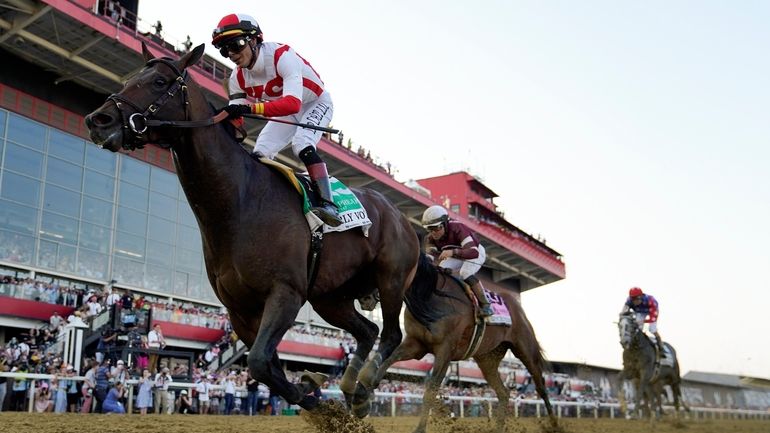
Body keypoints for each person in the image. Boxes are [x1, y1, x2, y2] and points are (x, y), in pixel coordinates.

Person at [211, 13, 341, 227]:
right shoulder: (237, 78)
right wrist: (226, 122)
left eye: (235, 44)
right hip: (286, 107)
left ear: (253, 40)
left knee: (302, 144)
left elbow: (292, 104)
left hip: (315, 102)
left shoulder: (282, 55)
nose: (231, 54)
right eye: (225, 50)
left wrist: (251, 107)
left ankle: (329, 205)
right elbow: (237, 121)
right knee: (260, 153)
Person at [421, 205, 493, 317]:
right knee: (441, 271)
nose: (433, 232)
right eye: (429, 229)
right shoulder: (430, 238)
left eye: (436, 228)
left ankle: (485, 305)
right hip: (457, 254)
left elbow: (473, 252)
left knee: (465, 273)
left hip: (474, 252)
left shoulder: (458, 228)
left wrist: (452, 252)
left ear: (445, 223)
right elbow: (429, 258)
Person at [621, 287, 664, 357]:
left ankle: (661, 347)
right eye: (633, 299)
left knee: (652, 329)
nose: (634, 301)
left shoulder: (651, 301)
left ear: (641, 296)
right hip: (640, 312)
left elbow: (652, 319)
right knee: (637, 327)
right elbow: (623, 312)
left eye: (636, 299)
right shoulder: (629, 301)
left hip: (651, 311)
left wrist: (644, 321)